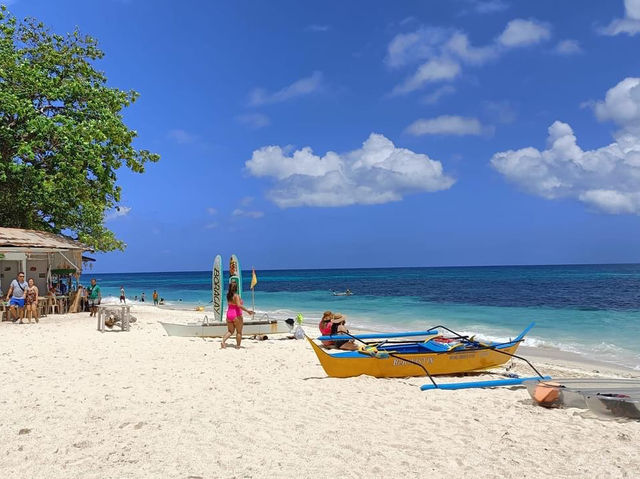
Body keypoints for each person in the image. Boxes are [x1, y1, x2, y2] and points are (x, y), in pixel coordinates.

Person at [221, 280, 254, 349]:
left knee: (230, 331)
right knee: (239, 332)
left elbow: (232, 304)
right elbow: (239, 305)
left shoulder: (228, 295)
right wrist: (247, 311)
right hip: (236, 315)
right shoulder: (236, 296)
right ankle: (238, 346)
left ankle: (223, 341)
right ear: (236, 288)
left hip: (229, 314)